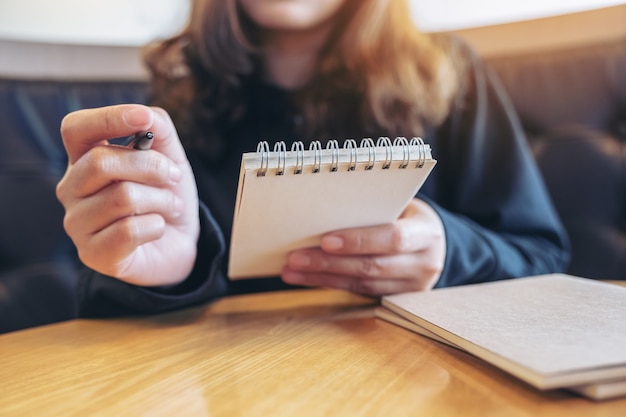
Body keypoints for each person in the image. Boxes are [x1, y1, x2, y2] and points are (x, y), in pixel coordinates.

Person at [56, 0, 569, 317]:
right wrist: (165, 275)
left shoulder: (451, 73)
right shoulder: (168, 102)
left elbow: (543, 256)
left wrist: (450, 251)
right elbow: (111, 322)